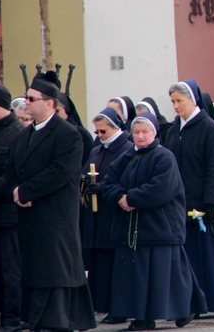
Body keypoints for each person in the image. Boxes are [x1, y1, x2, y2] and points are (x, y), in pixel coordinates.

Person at [5, 71, 96, 331]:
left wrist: (26, 192)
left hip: (55, 216)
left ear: (50, 104)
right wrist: (16, 191)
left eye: (32, 99)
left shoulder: (68, 134)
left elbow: (60, 172)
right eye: (25, 98)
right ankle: (38, 321)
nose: (26, 103)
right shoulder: (23, 135)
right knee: (35, 271)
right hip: (29, 215)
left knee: (55, 271)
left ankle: (57, 322)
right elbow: (12, 169)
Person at [102, 113, 206, 330]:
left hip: (159, 227)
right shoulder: (127, 157)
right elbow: (109, 181)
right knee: (138, 277)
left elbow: (161, 188)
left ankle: (183, 310)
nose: (140, 137)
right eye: (136, 132)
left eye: (145, 132)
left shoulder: (164, 157)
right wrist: (120, 197)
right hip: (133, 228)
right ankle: (142, 316)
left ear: (154, 133)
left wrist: (131, 198)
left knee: (166, 277)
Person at [164, 80, 214, 317]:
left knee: (210, 257)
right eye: (173, 102)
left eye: (179, 101)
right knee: (190, 259)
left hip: (205, 207)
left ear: (193, 100)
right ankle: (194, 304)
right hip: (181, 205)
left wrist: (211, 203)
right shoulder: (174, 129)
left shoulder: (208, 128)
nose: (176, 106)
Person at [82, 108, 134, 325]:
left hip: (114, 214)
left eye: (103, 131)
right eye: (96, 132)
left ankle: (118, 307)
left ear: (115, 127)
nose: (99, 135)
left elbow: (127, 180)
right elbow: (85, 171)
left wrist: (101, 188)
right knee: (99, 263)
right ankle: (101, 304)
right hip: (96, 216)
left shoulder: (127, 149)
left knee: (114, 264)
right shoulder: (97, 150)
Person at [0, 85, 25, 332]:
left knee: (11, 269)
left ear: (6, 106)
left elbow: (13, 176)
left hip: (8, 212)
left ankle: (11, 319)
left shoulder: (19, 133)